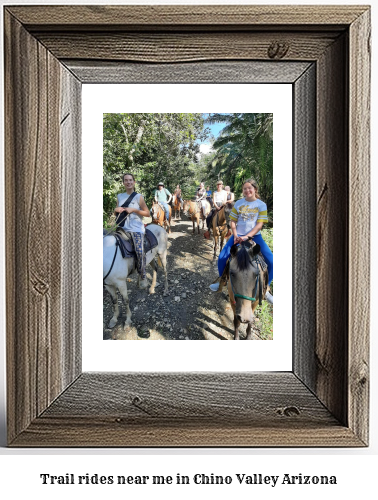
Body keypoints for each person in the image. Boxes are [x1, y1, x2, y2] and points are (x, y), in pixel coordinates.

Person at [209, 178, 273, 304]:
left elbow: (259, 225)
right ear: (243, 191)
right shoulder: (238, 203)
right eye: (245, 188)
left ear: (255, 189)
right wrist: (236, 234)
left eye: (250, 188)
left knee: (272, 261)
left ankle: (265, 289)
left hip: (255, 236)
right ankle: (222, 281)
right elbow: (232, 221)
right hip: (237, 235)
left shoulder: (261, 205)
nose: (247, 190)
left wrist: (247, 236)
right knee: (222, 257)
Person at [114, 173, 150, 288]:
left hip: (136, 229)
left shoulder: (138, 197)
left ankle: (143, 275)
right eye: (126, 180)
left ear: (134, 182)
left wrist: (134, 209)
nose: (128, 182)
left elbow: (147, 213)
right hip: (122, 228)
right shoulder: (119, 196)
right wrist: (116, 209)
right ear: (123, 182)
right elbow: (115, 212)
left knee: (139, 251)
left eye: (130, 180)